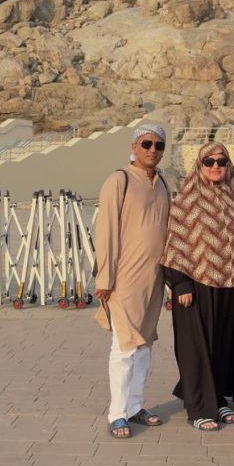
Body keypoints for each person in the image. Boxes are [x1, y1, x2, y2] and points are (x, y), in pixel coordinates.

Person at [161, 143, 234, 430]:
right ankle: (199, 407)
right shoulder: (187, 199)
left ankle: (219, 399)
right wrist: (181, 284)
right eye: (209, 162)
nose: (215, 166)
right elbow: (175, 241)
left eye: (221, 161)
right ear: (199, 165)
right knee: (199, 346)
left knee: (225, 342)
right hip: (197, 283)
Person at [94, 124, 171, 439]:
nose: (152, 150)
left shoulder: (163, 182)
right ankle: (117, 413)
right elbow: (106, 230)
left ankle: (136, 405)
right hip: (123, 277)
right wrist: (105, 276)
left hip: (154, 277)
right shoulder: (119, 180)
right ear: (134, 146)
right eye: (146, 144)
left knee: (144, 343)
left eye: (159, 145)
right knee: (124, 345)